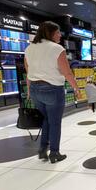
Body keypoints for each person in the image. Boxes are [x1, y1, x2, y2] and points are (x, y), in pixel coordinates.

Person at [24, 21, 80, 164]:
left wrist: (29, 91)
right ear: (50, 33)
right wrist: (76, 87)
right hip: (52, 89)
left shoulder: (29, 48)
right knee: (54, 122)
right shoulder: (57, 49)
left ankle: (43, 149)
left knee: (46, 119)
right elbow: (66, 72)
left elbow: (28, 71)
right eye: (57, 33)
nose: (60, 35)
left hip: (36, 90)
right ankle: (54, 153)